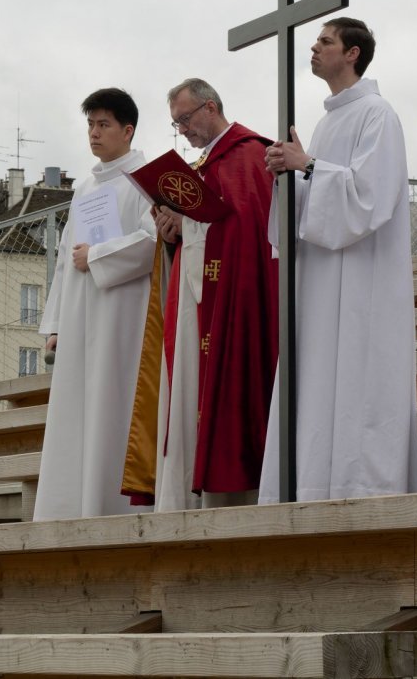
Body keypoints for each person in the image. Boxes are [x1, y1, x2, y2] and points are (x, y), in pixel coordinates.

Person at [260, 17, 417, 502]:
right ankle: (311, 485)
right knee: (316, 382)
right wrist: (286, 177)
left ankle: (361, 486)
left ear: (353, 53)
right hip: (320, 282)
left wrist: (307, 166)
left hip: (361, 282)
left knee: (356, 380)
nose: (312, 48)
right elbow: (317, 199)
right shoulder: (327, 120)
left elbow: (370, 199)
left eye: (325, 41)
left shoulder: (378, 115)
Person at [147, 78, 279, 510]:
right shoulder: (204, 167)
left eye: (185, 119)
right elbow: (201, 231)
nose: (182, 130)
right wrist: (172, 232)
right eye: (176, 124)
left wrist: (189, 227)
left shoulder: (249, 154)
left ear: (210, 107)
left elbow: (246, 229)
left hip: (234, 301)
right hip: (197, 300)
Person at [33, 88, 156, 520]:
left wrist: (99, 256)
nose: (94, 133)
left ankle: (114, 506)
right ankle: (71, 506)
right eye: (90, 125)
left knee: (114, 403)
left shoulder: (148, 178)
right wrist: (55, 326)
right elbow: (67, 257)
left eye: (103, 124)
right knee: (78, 409)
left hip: (123, 314)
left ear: (128, 130)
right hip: (83, 315)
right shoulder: (85, 186)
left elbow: (153, 241)